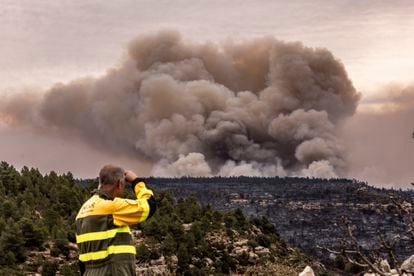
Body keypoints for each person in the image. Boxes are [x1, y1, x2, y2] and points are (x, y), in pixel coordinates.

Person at [75, 165, 156, 276]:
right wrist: (137, 181)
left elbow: (82, 258)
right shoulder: (111, 207)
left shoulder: (83, 210)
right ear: (119, 184)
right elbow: (149, 206)